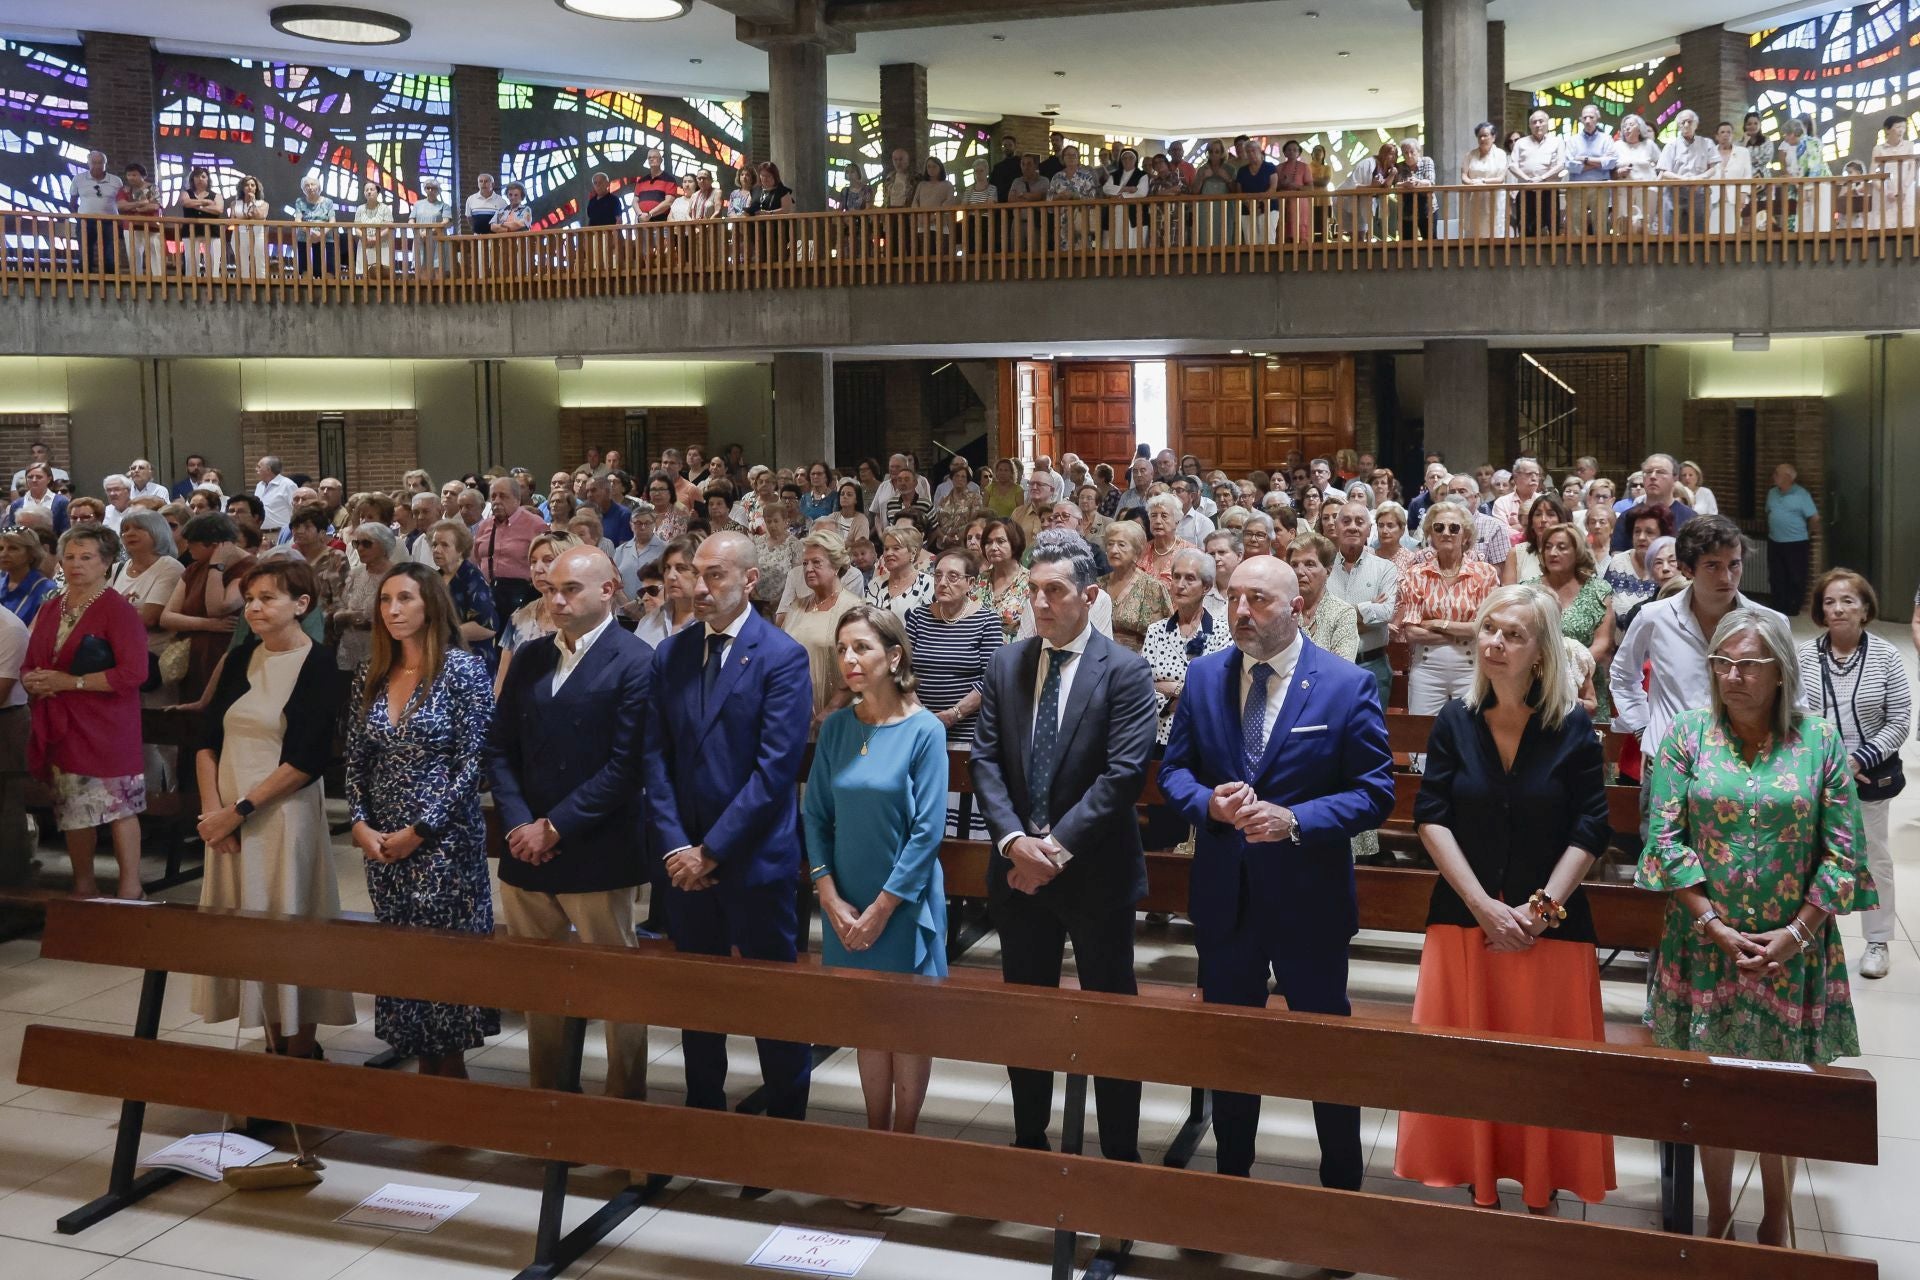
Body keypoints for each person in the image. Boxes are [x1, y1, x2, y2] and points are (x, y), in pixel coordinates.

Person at [1158, 554, 1393, 1188]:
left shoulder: (1345, 684)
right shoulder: (1205, 676)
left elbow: (1376, 792)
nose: (1241, 612)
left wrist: (1296, 820)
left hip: (1306, 897)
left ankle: (1341, 1186)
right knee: (1234, 1051)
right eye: (1234, 598)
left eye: (1258, 600)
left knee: (1324, 1050)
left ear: (1297, 607)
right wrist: (1205, 803)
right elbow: (1173, 771)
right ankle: (1233, 1182)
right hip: (1226, 897)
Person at [1640, 607, 1872, 1245]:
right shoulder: (1688, 736)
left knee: (1778, 1089)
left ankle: (1776, 1213)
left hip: (1792, 948)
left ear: (1781, 673)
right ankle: (1717, 1214)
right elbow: (1662, 839)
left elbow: (1844, 851)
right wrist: (1713, 926)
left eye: (1748, 664)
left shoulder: (1819, 739)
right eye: (1722, 664)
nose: (1732, 676)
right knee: (1712, 1088)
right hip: (1704, 943)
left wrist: (1795, 934)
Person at [1396, 584, 1614, 1214]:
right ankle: (1477, 1178)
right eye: (1489, 628)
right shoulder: (1454, 721)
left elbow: (1591, 828)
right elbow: (1431, 815)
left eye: (1513, 634)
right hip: (1465, 923)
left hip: (1552, 930)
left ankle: (1540, 1182)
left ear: (1541, 653)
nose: (1494, 642)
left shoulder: (1573, 727)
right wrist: (1484, 907)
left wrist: (1539, 912)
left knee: (1540, 1073)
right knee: (1468, 1069)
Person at [969, 530, 1156, 1168]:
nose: (1041, 603)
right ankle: (1028, 1141)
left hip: (1094, 872)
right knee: (1029, 1013)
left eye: (1056, 591)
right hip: (1018, 874)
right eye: (1033, 590)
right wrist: (1015, 841)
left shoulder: (1125, 670)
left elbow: (1123, 775)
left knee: (1108, 1016)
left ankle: (1121, 1152)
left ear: (1090, 595)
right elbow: (987, 762)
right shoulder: (1007, 662)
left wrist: (1054, 849)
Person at [645, 531, 814, 1131]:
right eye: (695, 573)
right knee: (699, 995)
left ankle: (784, 1124)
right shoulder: (672, 654)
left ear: (748, 581)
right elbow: (655, 761)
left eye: (715, 575)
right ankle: (704, 1115)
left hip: (752, 860)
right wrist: (674, 845)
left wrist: (711, 851)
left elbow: (775, 772)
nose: (698, 586)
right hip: (681, 860)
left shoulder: (780, 656)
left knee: (771, 1001)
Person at [487, 546, 654, 1103]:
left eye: (571, 589)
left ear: (608, 589)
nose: (555, 600)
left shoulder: (635, 659)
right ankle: (548, 1107)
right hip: (524, 850)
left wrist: (553, 828)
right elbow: (502, 748)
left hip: (595, 845)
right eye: (549, 589)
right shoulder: (532, 656)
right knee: (541, 989)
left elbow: (627, 766)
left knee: (616, 990)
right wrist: (517, 826)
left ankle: (622, 1113)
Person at [190, 560, 356, 1050]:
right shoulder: (242, 654)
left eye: (268, 598)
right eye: (251, 598)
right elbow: (206, 738)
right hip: (225, 817)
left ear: (301, 605)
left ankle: (300, 1047)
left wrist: (238, 811)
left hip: (281, 817)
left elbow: (306, 760)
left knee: (288, 924)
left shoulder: (320, 663)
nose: (255, 607)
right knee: (247, 927)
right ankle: (269, 1042)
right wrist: (212, 815)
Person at [804, 605, 949, 1160]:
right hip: (845, 896)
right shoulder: (838, 726)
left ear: (893, 656)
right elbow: (815, 814)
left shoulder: (924, 730)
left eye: (862, 648)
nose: (849, 660)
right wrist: (829, 895)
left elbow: (927, 830)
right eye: (842, 650)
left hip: (904, 899)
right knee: (868, 1024)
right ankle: (874, 1140)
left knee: (907, 1028)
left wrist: (884, 907)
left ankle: (903, 1150)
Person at [345, 564, 496, 1075]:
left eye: (405, 598)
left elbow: (471, 763)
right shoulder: (374, 671)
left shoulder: (461, 670)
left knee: (440, 961)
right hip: (382, 839)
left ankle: (447, 1079)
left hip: (443, 841)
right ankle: (415, 1066)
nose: (392, 610)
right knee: (399, 953)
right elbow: (355, 760)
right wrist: (360, 824)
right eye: (385, 600)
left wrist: (422, 830)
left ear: (430, 604)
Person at [1610, 515, 1781, 798]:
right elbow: (1623, 675)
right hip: (1670, 766)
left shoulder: (1769, 622)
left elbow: (1792, 694)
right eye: (1713, 566)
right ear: (1687, 569)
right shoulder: (1655, 617)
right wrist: (1642, 728)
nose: (1726, 577)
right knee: (1662, 842)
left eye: (1734, 565)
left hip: (1743, 766)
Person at [24, 526, 149, 899]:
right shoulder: (52, 606)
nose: (76, 564)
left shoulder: (117, 609)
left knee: (118, 805)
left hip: (107, 723)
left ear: (107, 562)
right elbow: (30, 662)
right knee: (73, 806)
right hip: (63, 723)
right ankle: (84, 886)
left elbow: (133, 673)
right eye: (70, 557)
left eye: (87, 557)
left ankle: (131, 887)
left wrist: (68, 683)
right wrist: (33, 680)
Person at [1799, 570, 1911, 980]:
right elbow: (1796, 713)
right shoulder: (1805, 656)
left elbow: (1899, 720)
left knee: (1872, 857)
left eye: (1848, 601)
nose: (1838, 609)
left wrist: (1858, 760)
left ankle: (1878, 941)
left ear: (1865, 609)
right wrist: (1828, 763)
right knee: (1808, 857)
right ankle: (1804, 937)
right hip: (1815, 773)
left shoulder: (1886, 656)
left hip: (1868, 777)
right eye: (1830, 602)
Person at [1396, 501, 1501, 715]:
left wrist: (1436, 623)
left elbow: (1483, 628)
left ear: (1466, 535)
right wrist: (1461, 633)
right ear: (1430, 534)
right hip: (1427, 667)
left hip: (1471, 666)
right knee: (1422, 738)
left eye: (1454, 528)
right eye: (1439, 527)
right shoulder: (1417, 574)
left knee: (1471, 734)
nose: (1446, 533)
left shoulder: (1485, 573)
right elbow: (1412, 632)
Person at [781, 530, 860, 735]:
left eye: (816, 563)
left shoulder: (853, 608)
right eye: (805, 563)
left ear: (835, 566)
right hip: (795, 714)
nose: (808, 569)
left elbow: (858, 667)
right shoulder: (797, 607)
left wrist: (831, 710)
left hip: (836, 715)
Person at [1328, 499, 1399, 704]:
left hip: (1372, 667)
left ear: (1369, 530)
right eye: (1346, 521)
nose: (1352, 526)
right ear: (1337, 527)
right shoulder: (1323, 569)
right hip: (1330, 666)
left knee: (1371, 734)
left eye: (1359, 522)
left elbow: (1386, 613)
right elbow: (1316, 615)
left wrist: (1337, 616)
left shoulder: (1385, 568)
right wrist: (1368, 608)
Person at [495, 531, 575, 695]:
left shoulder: (583, 618)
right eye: (533, 561)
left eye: (548, 560)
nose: (538, 569)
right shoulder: (519, 617)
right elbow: (502, 683)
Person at [427, 518, 500, 668]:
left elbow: (488, 628)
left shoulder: (472, 578)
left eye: (444, 545)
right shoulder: (433, 578)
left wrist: (441, 634)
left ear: (460, 550)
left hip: (471, 661)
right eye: (434, 544)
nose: (437, 550)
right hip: (438, 658)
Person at [1100, 519, 1171, 654]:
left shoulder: (1152, 588)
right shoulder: (1098, 585)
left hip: (1137, 663)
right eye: (1110, 544)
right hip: (1099, 659)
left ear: (1136, 552)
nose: (1114, 550)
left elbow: (1162, 637)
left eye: (1121, 545)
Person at [1288, 532, 1360, 660]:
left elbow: (1342, 667)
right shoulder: (1282, 609)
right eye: (1294, 565)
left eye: (1309, 564)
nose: (1299, 571)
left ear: (1328, 570)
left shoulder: (1343, 613)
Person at [1765, 462, 1819, 616]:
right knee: (1776, 575)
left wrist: (1808, 534)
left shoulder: (1802, 494)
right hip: (1774, 541)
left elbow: (1814, 517)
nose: (1774, 477)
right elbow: (1768, 512)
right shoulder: (1772, 493)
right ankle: (1778, 603)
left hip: (1796, 542)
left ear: (1788, 477)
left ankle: (1793, 605)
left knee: (1795, 576)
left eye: (1777, 474)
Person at [975, 517, 1030, 641]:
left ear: (1015, 544)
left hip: (1015, 655)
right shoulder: (980, 579)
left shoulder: (1030, 582)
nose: (993, 547)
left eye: (1000, 541)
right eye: (988, 542)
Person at [864, 526, 934, 620]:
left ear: (913, 553)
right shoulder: (874, 584)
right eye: (886, 549)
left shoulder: (928, 584)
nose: (888, 553)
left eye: (896, 548)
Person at [0, 525, 58, 624]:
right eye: (0, 548)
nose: (3, 554)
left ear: (31, 554)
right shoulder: (2, 582)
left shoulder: (48, 591)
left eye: (13, 548)